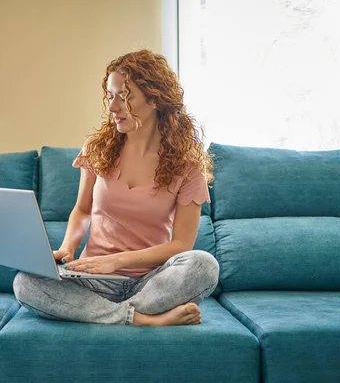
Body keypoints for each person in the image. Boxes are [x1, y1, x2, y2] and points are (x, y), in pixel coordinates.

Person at [13, 49, 219, 326]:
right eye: (111, 96)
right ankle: (143, 319)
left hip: (151, 282)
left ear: (155, 97)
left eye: (125, 96)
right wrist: (67, 248)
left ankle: (111, 314)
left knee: (204, 265)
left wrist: (117, 261)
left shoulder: (187, 164)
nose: (113, 107)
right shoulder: (98, 149)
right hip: (93, 279)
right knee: (25, 282)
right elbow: (83, 210)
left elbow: (181, 244)